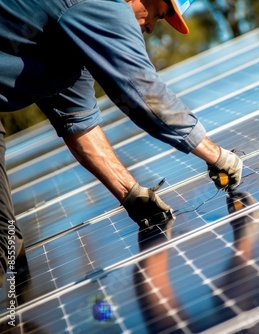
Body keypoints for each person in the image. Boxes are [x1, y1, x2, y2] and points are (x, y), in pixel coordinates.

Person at [0, 0, 243, 285]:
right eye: (158, 15)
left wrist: (130, 194)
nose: (151, 27)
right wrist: (217, 156)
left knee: (8, 243)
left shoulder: (70, 39)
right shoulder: (103, 5)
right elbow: (145, 95)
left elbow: (78, 123)